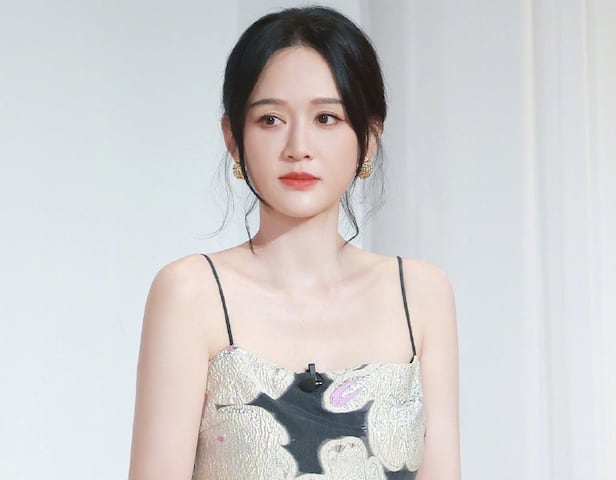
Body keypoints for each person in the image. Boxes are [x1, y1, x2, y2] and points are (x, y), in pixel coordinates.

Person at [129, 6, 459, 480]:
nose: (298, 147)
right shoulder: (190, 292)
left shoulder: (422, 294)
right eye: (270, 120)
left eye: (326, 117)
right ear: (233, 138)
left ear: (369, 137)